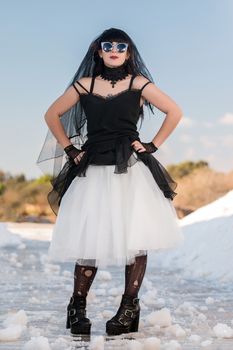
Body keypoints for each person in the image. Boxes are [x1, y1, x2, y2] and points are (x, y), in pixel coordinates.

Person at [36, 27, 184, 337]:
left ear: (129, 53)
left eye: (121, 46)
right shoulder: (84, 84)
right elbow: (52, 114)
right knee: (89, 237)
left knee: (136, 236)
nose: (114, 49)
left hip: (130, 168)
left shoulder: (138, 83)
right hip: (93, 166)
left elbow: (174, 111)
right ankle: (77, 308)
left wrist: (152, 145)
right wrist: (69, 148)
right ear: (98, 51)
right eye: (108, 45)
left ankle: (128, 308)